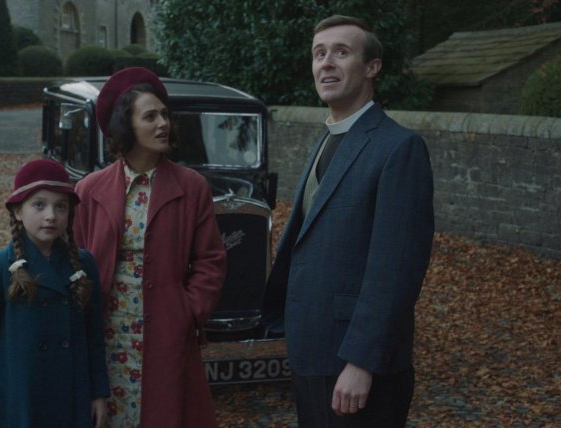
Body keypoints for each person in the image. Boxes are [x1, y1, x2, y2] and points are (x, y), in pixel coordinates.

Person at [262, 15, 435, 427]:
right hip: (312, 352)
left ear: (372, 67)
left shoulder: (399, 148)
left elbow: (396, 270)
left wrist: (361, 362)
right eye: (319, 54)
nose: (326, 63)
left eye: (341, 52)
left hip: (355, 365)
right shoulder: (327, 139)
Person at [73, 67, 226, 427]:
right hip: (106, 334)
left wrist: (187, 310)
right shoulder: (89, 190)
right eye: (150, 116)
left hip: (166, 331)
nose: (163, 124)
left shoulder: (192, 187)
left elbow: (211, 260)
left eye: (165, 115)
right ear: (126, 126)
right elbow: (74, 261)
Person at [0, 159, 109, 427]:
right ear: (18, 211)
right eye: (39, 205)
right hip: (17, 402)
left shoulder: (84, 265)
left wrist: (98, 393)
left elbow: (94, 338)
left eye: (60, 206)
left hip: (72, 398)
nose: (51, 215)